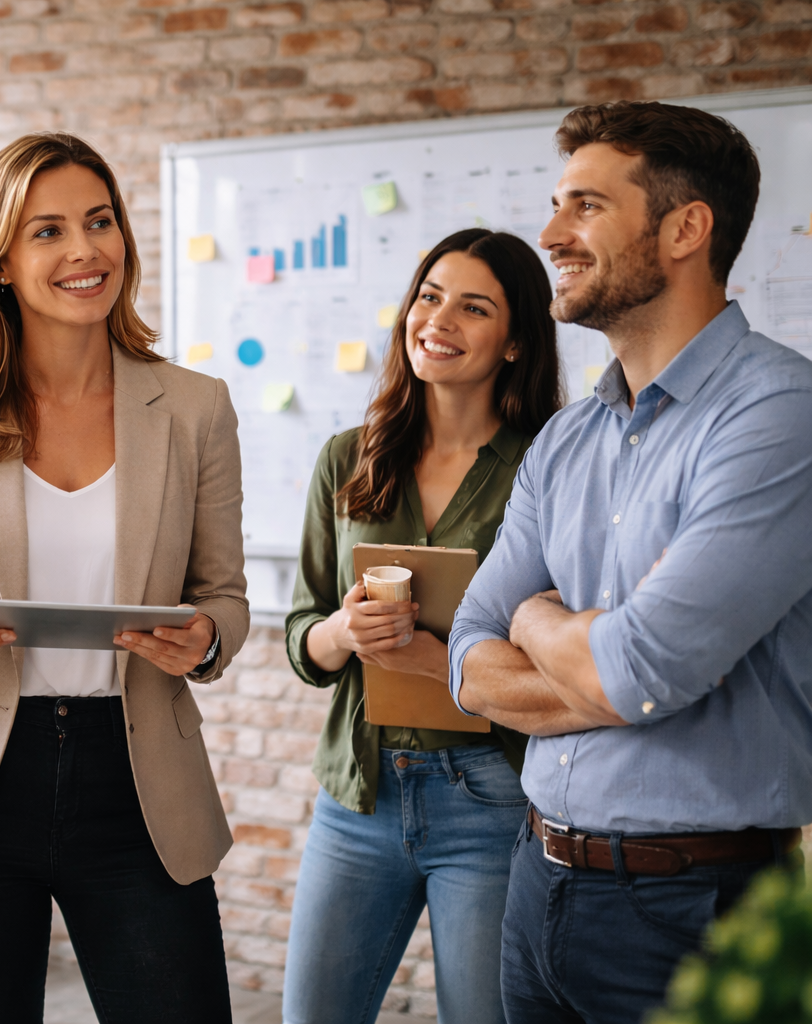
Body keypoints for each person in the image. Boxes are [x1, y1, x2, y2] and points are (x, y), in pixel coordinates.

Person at [0, 132, 248, 1024]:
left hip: (139, 776)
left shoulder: (194, 409)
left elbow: (224, 595)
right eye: (48, 231)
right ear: (0, 259)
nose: (85, 251)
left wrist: (205, 638)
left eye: (100, 221)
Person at [449, 101, 812, 1024]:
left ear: (687, 228)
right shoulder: (567, 437)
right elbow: (464, 655)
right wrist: (605, 665)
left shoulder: (778, 415)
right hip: (539, 883)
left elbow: (640, 670)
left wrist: (537, 620)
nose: (549, 234)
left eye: (585, 206)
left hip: (704, 908)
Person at [280, 229, 563, 1024]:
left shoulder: (548, 464)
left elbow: (571, 644)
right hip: (358, 798)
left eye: (474, 307)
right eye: (429, 296)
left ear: (514, 342)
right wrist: (342, 633)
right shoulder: (349, 458)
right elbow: (303, 629)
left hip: (491, 796)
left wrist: (451, 661)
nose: (437, 318)